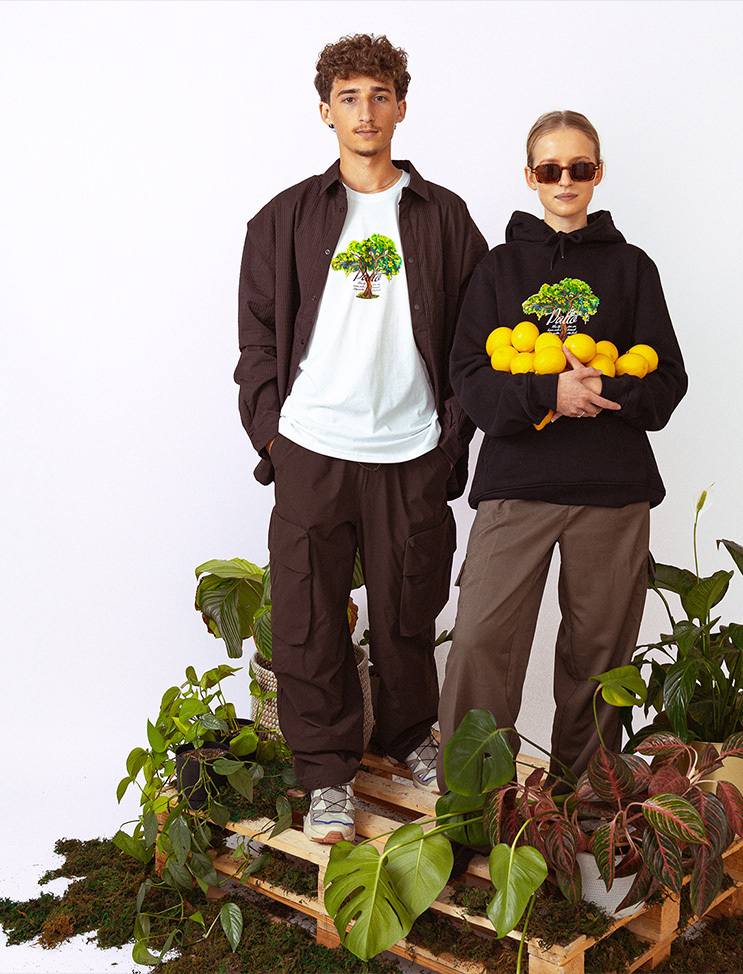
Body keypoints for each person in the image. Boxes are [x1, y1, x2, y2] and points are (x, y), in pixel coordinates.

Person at [235, 33, 488, 843]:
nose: (366, 112)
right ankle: (327, 777)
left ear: (401, 107)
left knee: (409, 611)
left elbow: (478, 337)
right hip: (312, 447)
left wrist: (450, 441)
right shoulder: (283, 218)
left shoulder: (445, 218)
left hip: (410, 450)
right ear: (325, 112)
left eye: (380, 96)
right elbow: (257, 338)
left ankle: (410, 737)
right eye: (349, 98)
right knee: (309, 619)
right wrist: (272, 436)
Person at [437, 111, 687, 790]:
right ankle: (471, 805)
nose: (565, 180)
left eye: (580, 168)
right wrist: (548, 392)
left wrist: (603, 389)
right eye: (550, 169)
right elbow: (469, 379)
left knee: (597, 660)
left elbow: (668, 382)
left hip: (613, 490)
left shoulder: (633, 269)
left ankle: (583, 807)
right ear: (530, 177)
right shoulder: (498, 269)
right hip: (516, 484)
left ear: (598, 173)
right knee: (481, 642)